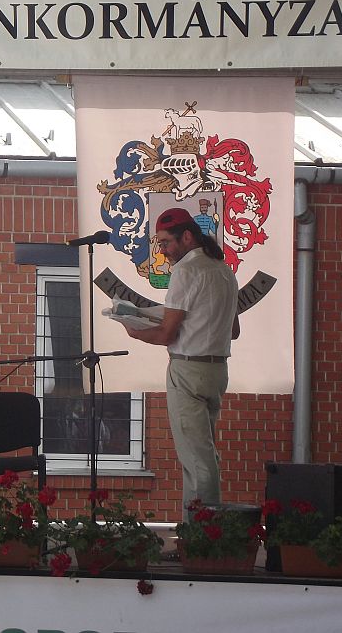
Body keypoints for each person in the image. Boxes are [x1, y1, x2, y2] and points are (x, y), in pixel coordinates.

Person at [124, 207, 239, 514]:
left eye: (165, 243)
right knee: (203, 454)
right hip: (217, 369)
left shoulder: (185, 272)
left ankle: (205, 532)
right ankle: (196, 530)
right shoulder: (224, 270)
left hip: (188, 368)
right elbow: (234, 330)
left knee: (197, 460)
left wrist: (135, 330)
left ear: (187, 237)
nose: (162, 250)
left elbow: (167, 334)